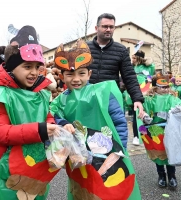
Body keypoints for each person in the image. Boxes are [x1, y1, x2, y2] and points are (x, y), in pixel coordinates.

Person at [0, 25, 60, 199]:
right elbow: (0, 132)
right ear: (12, 66)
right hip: (9, 166)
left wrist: (55, 128)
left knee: (36, 194)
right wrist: (40, 130)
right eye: (27, 66)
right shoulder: (0, 96)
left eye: (37, 67)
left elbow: (47, 117)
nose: (33, 73)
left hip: (36, 163)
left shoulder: (40, 94)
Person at [50, 39, 141, 199]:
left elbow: (118, 120)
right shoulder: (61, 100)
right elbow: (55, 116)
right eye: (70, 74)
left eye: (81, 73)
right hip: (79, 155)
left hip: (107, 151)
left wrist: (121, 146)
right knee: (84, 188)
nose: (76, 79)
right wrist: (63, 123)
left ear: (89, 74)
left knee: (109, 187)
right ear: (63, 76)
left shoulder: (102, 93)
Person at [86, 13, 144, 119]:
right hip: (87, 98)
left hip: (110, 100)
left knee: (112, 132)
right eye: (104, 26)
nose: (108, 29)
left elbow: (129, 76)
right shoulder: (84, 48)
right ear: (96, 28)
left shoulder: (121, 50)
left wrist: (137, 99)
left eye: (111, 27)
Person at [138, 73, 178, 190]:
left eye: (166, 87)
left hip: (169, 130)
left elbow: (178, 108)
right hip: (154, 131)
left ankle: (172, 176)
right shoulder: (149, 99)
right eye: (162, 87)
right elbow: (142, 110)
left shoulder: (173, 98)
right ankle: (161, 175)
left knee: (169, 154)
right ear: (155, 87)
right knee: (157, 154)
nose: (165, 89)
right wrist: (144, 116)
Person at [130, 49, 155, 145]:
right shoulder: (132, 67)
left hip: (147, 93)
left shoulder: (148, 67)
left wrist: (148, 62)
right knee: (136, 114)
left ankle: (148, 134)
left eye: (134, 57)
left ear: (138, 58)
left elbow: (151, 75)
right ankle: (136, 136)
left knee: (147, 113)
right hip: (135, 93)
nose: (132, 59)